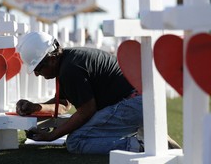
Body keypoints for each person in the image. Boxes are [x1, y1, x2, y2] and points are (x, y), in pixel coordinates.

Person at [16, 31, 146, 155]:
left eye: (38, 68)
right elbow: (63, 104)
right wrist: (35, 107)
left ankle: (140, 145)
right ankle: (146, 139)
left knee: (76, 141)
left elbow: (87, 111)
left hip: (132, 104)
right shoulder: (68, 60)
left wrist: (52, 136)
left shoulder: (69, 69)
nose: (37, 74)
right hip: (137, 102)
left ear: (51, 59)